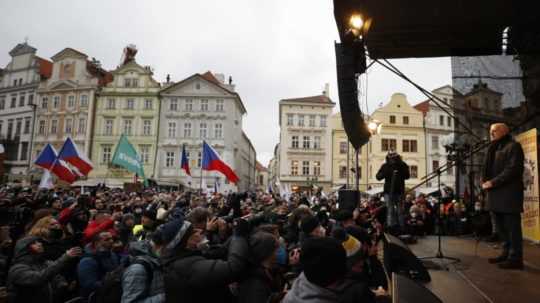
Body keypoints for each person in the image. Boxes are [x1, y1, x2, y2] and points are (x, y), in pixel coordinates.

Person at [160, 218, 249, 303]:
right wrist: (238, 236)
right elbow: (234, 267)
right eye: (194, 231)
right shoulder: (190, 267)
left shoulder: (177, 258)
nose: (200, 231)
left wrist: (231, 236)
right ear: (187, 242)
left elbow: (218, 252)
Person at [482, 123, 525, 270]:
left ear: (505, 131)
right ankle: (506, 253)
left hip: (509, 194)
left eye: (495, 130)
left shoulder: (513, 146)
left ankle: (515, 258)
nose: (492, 133)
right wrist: (485, 182)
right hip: (494, 194)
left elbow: (513, 169)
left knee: (512, 229)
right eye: (490, 131)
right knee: (501, 228)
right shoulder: (493, 148)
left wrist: (492, 182)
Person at [7, 236, 82, 303]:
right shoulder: (17, 269)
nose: (40, 244)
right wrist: (65, 258)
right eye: (34, 243)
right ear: (24, 249)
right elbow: (39, 278)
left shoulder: (45, 263)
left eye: (38, 242)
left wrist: (63, 285)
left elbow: (57, 278)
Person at [77, 231, 121, 298]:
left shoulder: (112, 255)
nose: (111, 241)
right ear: (97, 243)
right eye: (107, 240)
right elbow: (89, 286)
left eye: (112, 238)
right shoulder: (87, 261)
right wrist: (108, 281)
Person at [376, 151, 410, 233]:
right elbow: (378, 177)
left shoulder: (402, 165)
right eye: (390, 158)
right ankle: (391, 228)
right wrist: (386, 171)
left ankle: (402, 229)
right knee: (390, 211)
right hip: (388, 192)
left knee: (400, 211)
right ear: (388, 158)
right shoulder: (385, 166)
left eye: (394, 157)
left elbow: (407, 176)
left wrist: (400, 166)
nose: (392, 159)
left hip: (399, 192)